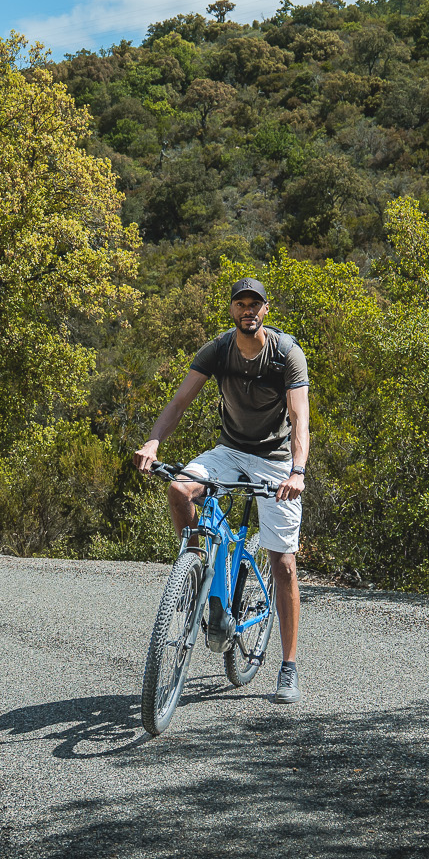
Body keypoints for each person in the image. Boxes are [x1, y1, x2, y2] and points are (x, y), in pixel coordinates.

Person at [134, 278, 310, 704]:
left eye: (255, 304)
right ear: (232, 310)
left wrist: (297, 471)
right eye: (241, 303)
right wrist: (154, 441)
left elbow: (299, 417)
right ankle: (193, 566)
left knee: (283, 564)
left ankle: (288, 668)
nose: (248, 309)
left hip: (275, 461)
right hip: (229, 451)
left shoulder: (286, 354)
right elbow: (178, 403)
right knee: (179, 489)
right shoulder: (218, 350)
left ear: (266, 310)